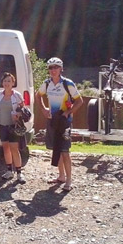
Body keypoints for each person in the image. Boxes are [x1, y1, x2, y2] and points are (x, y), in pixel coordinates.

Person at [37, 57, 83, 192]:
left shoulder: (67, 83)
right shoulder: (46, 83)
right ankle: (61, 176)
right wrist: (44, 109)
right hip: (52, 120)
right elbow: (37, 95)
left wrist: (69, 112)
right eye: (50, 68)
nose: (53, 70)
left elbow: (79, 101)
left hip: (64, 122)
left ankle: (69, 180)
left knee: (65, 151)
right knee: (57, 148)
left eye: (56, 67)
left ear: (61, 69)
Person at [0, 72, 26, 183]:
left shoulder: (17, 95)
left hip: (14, 126)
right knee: (5, 148)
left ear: (13, 83)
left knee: (14, 149)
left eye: (9, 81)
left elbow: (24, 110)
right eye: (5, 81)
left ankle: (19, 173)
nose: (7, 83)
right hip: (2, 126)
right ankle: (9, 171)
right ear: (2, 82)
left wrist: (18, 115)